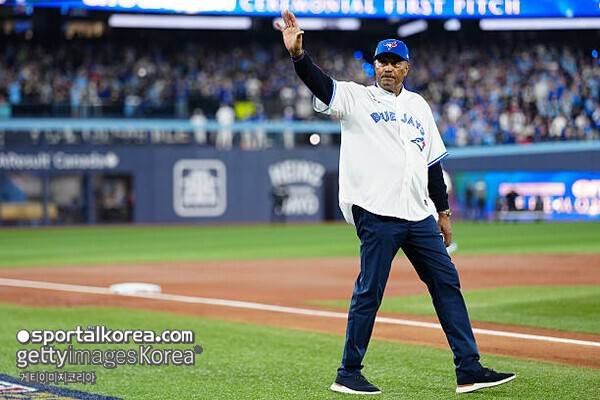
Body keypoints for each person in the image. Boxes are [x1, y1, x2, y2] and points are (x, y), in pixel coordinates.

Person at [276, 10, 516, 395]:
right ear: (374, 66)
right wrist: (298, 56)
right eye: (381, 61)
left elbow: (432, 163)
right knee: (370, 291)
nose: (387, 67)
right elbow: (320, 83)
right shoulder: (357, 97)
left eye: (394, 61)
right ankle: (348, 372)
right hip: (376, 211)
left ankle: (468, 369)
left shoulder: (419, 106)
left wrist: (443, 212)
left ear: (406, 67)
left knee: (447, 282)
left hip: (419, 214)